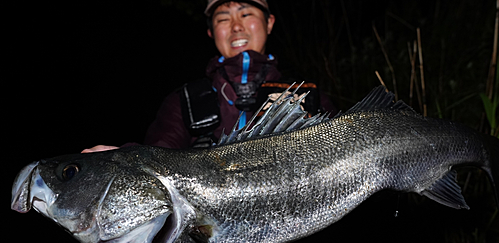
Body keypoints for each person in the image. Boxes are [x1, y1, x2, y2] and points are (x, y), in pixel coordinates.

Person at [82, 0, 334, 152]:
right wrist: (127, 161)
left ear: (269, 22)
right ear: (211, 33)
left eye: (246, 14)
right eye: (223, 19)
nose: (236, 26)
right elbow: (157, 159)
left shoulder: (308, 97)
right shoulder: (183, 101)